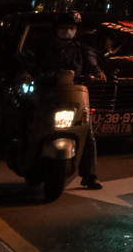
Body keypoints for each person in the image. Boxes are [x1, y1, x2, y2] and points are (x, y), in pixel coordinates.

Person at [31, 14, 108, 189]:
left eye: (71, 28)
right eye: (64, 27)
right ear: (56, 30)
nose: (68, 31)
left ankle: (89, 175)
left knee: (87, 133)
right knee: (28, 122)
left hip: (72, 100)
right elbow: (31, 66)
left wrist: (98, 72)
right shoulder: (43, 49)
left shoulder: (83, 50)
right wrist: (31, 74)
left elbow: (93, 64)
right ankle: (28, 161)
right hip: (48, 98)